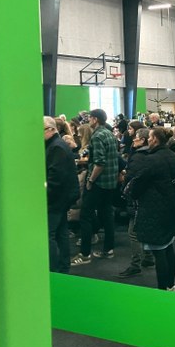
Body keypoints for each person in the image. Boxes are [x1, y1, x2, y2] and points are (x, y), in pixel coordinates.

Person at [130, 127, 175, 291]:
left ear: (155, 140)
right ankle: (170, 286)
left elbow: (138, 182)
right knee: (168, 248)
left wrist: (132, 193)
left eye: (150, 137)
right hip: (171, 205)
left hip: (154, 208)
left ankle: (162, 290)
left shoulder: (152, 160)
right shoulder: (172, 156)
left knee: (160, 252)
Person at [71, 109, 119, 266]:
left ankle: (85, 254)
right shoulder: (109, 134)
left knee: (85, 216)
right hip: (110, 182)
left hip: (98, 182)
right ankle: (108, 249)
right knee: (107, 215)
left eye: (90, 118)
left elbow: (99, 163)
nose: (88, 120)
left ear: (95, 119)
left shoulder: (97, 136)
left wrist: (90, 180)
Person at [117, 128, 155, 278]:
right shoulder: (153, 154)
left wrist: (124, 187)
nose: (133, 139)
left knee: (133, 232)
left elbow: (131, 178)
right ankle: (148, 257)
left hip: (137, 198)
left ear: (143, 140)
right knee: (145, 228)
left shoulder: (138, 156)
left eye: (136, 138)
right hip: (149, 197)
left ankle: (135, 264)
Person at [44, 116, 79, 273]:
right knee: (61, 233)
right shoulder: (58, 145)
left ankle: (53, 269)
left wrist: (46, 195)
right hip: (64, 196)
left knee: (50, 235)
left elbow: (55, 179)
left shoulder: (56, 147)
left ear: (51, 129)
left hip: (57, 198)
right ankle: (63, 267)